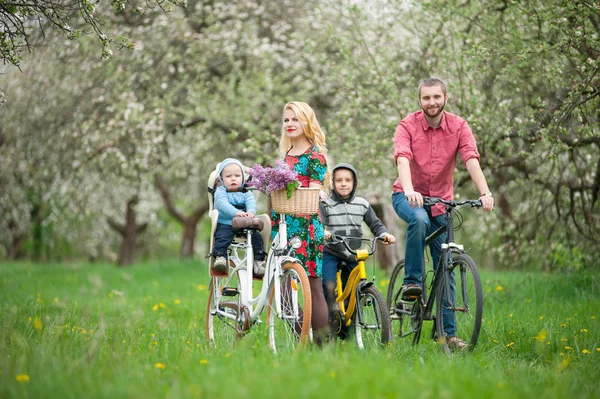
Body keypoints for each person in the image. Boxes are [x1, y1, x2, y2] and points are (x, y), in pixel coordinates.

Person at [392, 78, 494, 350]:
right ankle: (412, 283)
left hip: (441, 202)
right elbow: (403, 158)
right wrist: (410, 189)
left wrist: (485, 193)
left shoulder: (459, 126)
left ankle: (448, 336)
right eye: (426, 98)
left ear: (445, 98)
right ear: (420, 100)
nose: (432, 102)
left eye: (437, 97)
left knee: (446, 262)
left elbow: (470, 159)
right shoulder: (407, 125)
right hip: (407, 195)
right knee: (419, 218)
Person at [271, 101, 330, 344]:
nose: (290, 124)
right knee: (285, 286)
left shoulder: (315, 155)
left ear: (306, 121)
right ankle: (301, 338)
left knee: (312, 286)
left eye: (295, 119)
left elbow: (315, 191)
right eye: (286, 120)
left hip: (305, 226)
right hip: (284, 224)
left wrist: (297, 188)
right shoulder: (286, 156)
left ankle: (320, 346)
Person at [320, 163, 396, 314]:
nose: (343, 184)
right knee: (328, 283)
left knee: (354, 289)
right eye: (339, 180)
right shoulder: (326, 204)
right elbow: (320, 223)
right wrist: (323, 231)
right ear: (332, 183)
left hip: (353, 253)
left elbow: (375, 224)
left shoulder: (362, 204)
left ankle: (349, 325)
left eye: (348, 180)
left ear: (354, 182)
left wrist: (384, 234)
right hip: (332, 251)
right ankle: (330, 314)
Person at [213, 158, 266, 277]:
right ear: (221, 178)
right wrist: (236, 212)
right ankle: (220, 257)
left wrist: (251, 212)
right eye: (228, 176)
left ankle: (258, 262)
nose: (233, 178)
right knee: (222, 236)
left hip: (243, 223)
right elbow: (223, 205)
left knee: (257, 238)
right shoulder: (221, 192)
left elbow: (251, 202)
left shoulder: (245, 191)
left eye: (237, 175)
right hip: (226, 222)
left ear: (242, 177)